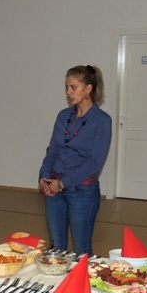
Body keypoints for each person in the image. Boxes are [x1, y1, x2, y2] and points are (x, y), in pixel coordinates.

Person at [38, 65, 112, 255]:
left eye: (73, 87)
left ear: (88, 89)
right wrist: (44, 177)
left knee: (81, 250)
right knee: (55, 248)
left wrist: (62, 183)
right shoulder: (63, 116)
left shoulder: (102, 121)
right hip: (54, 189)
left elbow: (94, 163)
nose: (69, 92)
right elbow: (52, 151)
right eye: (67, 88)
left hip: (82, 191)